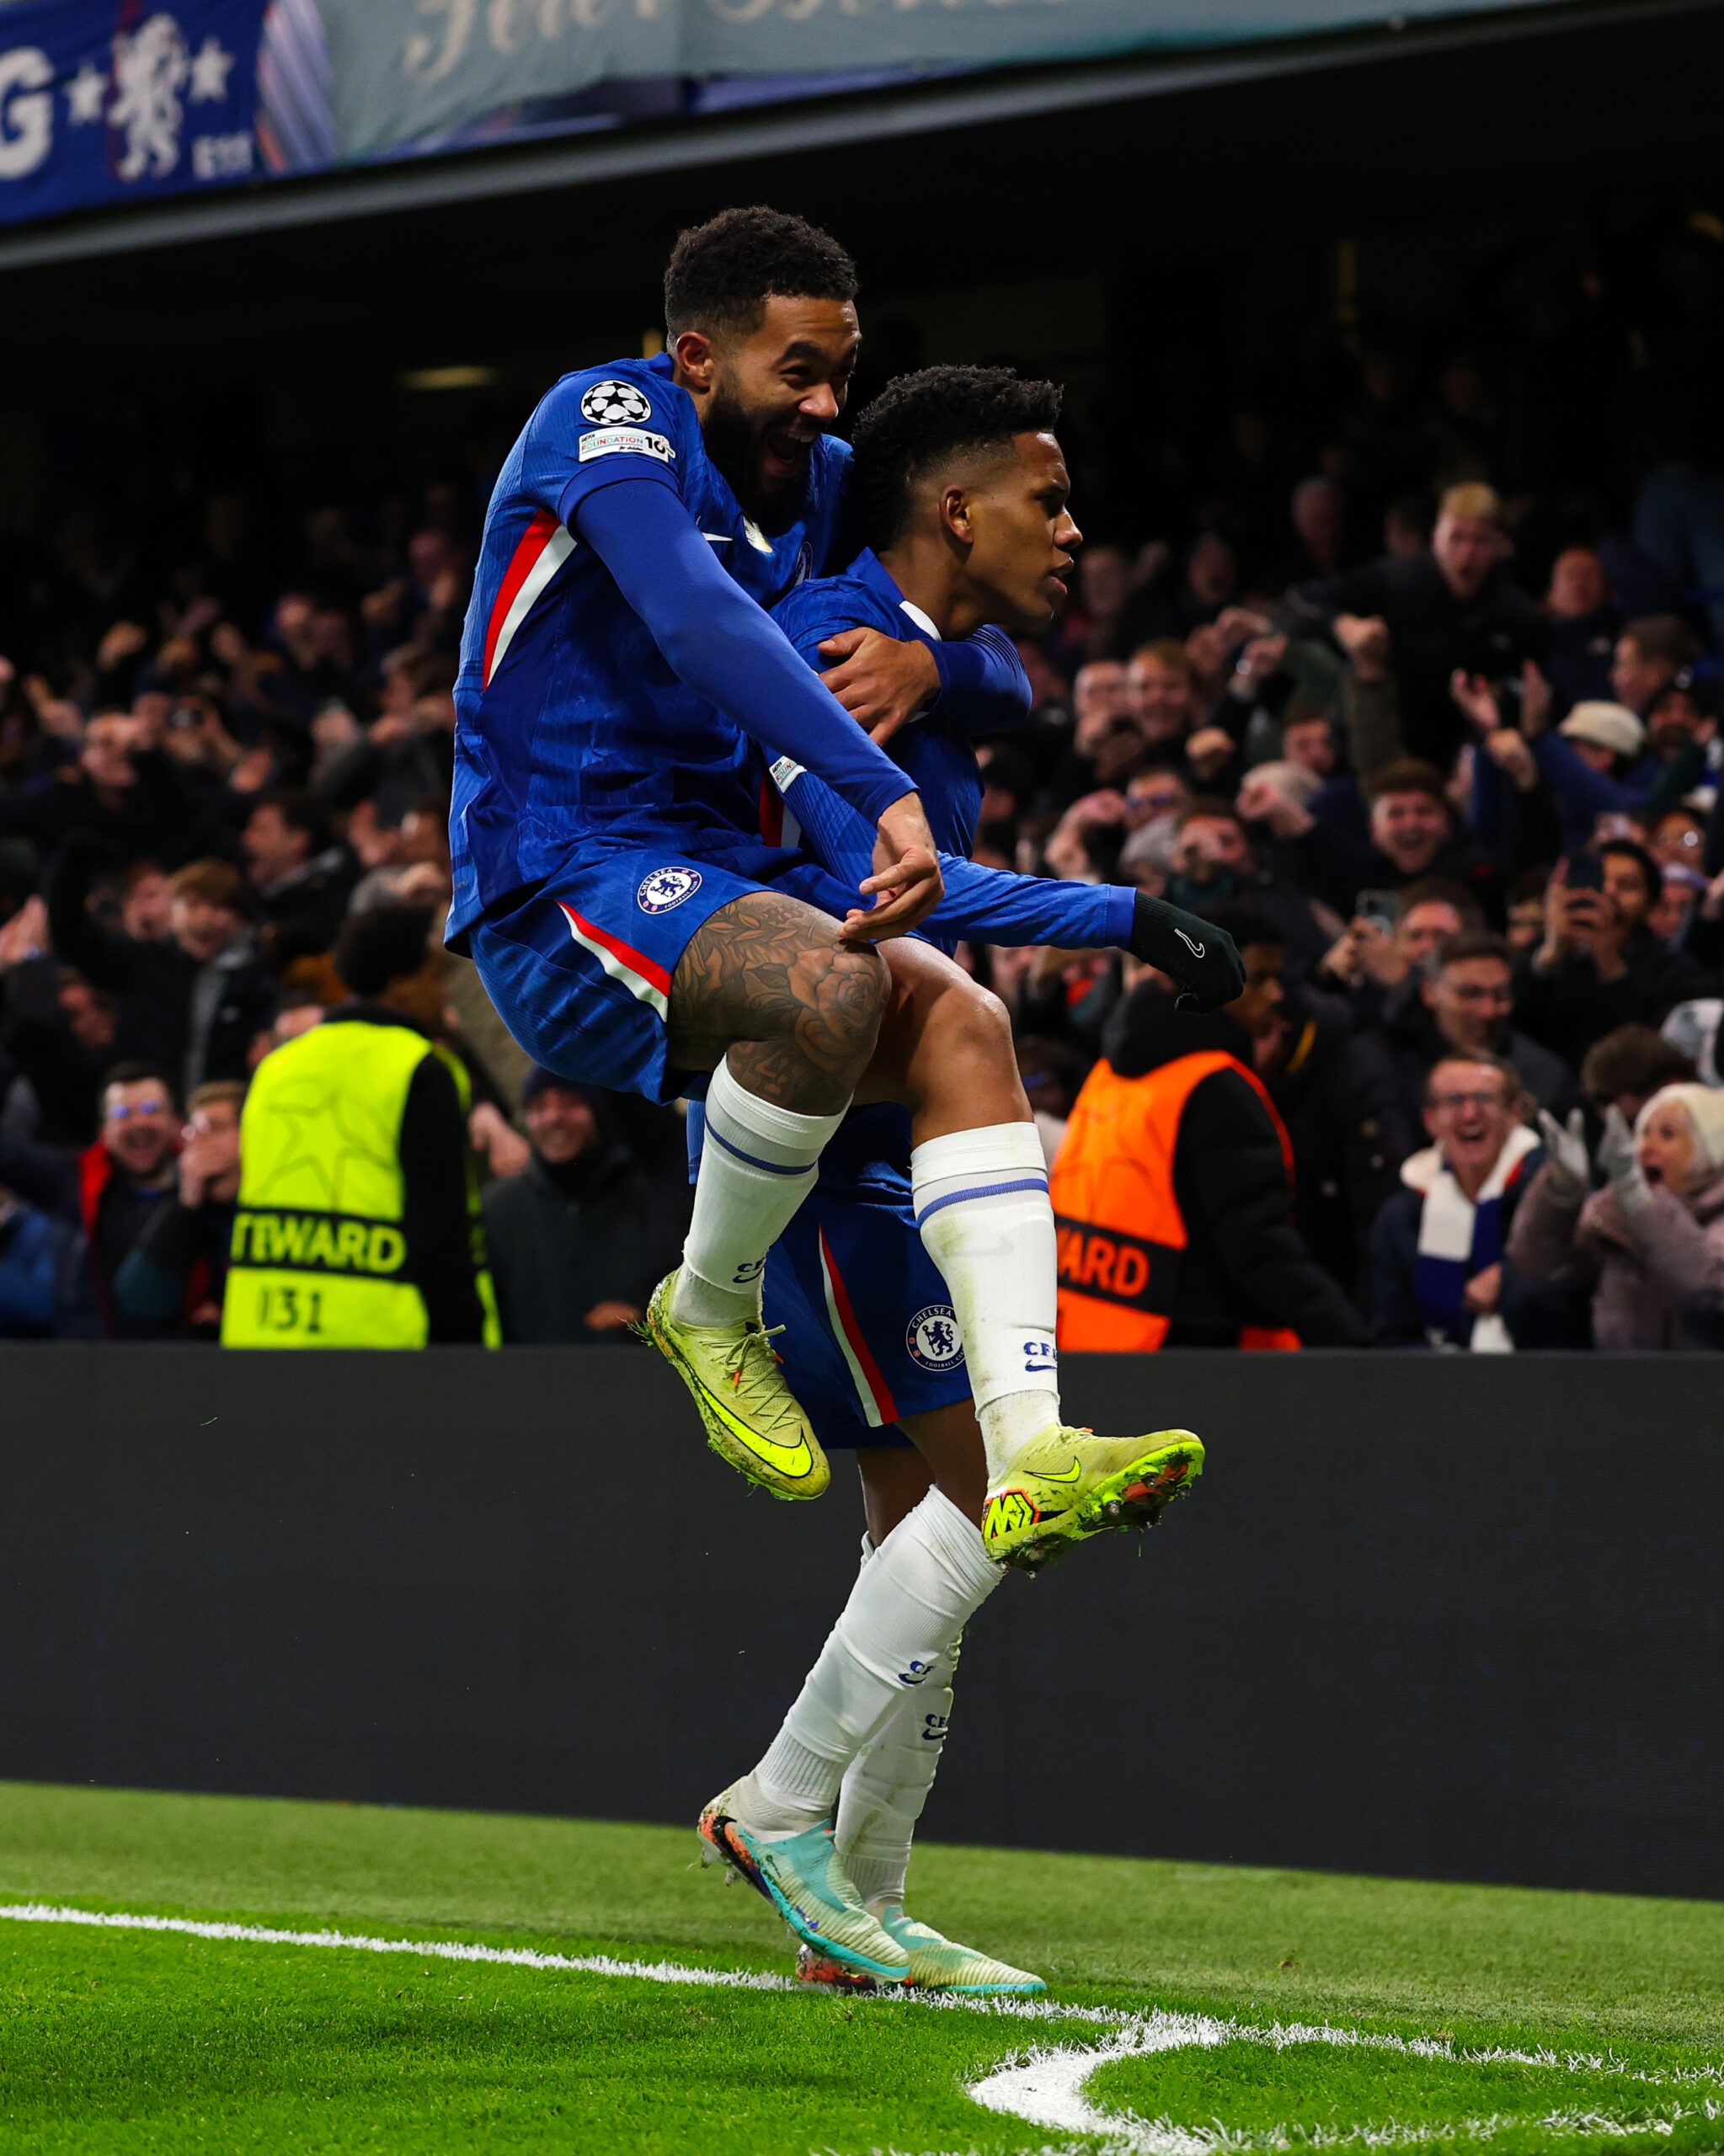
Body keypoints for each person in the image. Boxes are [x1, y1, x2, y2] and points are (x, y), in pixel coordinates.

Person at [450, 209, 1223, 1612]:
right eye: (796, 371)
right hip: (563, 869)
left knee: (961, 1018)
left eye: (841, 373)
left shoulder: (818, 481)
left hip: (717, 883)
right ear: (696, 357)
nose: (823, 406)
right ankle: (708, 1298)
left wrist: (942, 682)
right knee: (832, 978)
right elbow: (698, 618)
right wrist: (884, 786)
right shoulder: (607, 416)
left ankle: (1031, 1442)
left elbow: (960, 601)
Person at [695, 366, 1237, 1993]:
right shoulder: (827, 654)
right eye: (1045, 501)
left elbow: (995, 682)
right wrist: (1122, 914)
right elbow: (886, 902)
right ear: (952, 507)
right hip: (828, 1153)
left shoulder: (917, 653)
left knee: (921, 1526)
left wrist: (950, 658)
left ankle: (856, 1913)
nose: (1072, 534)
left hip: (890, 1147)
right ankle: (783, 1808)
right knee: (986, 1497)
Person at [1049, 953, 1369, 1351]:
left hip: (1085, 1340)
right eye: (1259, 977)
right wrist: (1353, 1343)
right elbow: (1256, 1249)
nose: (1276, 995)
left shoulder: (1110, 1071)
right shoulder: (1215, 1086)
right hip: (1186, 1357)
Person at [222, 904, 499, 1348]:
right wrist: (464, 1349)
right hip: (386, 1354)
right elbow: (440, 1235)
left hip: (262, 1339)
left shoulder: (275, 1068)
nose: (443, 995)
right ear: (400, 986)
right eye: (434, 978)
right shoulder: (420, 1068)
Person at [1285, 482, 1548, 766]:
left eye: (1480, 540)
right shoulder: (1397, 580)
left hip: (1469, 750)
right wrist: (1343, 624)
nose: (1467, 553)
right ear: (1436, 538)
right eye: (1456, 538)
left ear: (1499, 545)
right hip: (1379, 742)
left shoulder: (1515, 612)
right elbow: (1297, 602)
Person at [48, 842, 277, 1099]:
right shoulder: (143, 963)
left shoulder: (264, 975)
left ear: (239, 917)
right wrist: (73, 863)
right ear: (173, 912)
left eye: (218, 907)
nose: (204, 918)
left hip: (227, 1112)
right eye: (192, 905)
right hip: (151, 1110)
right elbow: (71, 935)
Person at [1509, 1082, 1724, 1349]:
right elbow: (1543, 1266)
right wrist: (1562, 1189)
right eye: (1643, 1134)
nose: (1645, 1147)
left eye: (1667, 1135)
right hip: (1620, 1383)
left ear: (1713, 1146)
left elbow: (1710, 1291)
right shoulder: (1614, 1210)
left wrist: (1643, 1204)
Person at [1369, 1054, 1554, 1349]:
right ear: (1430, 1120)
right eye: (1454, 1100)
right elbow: (1392, 1334)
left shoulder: (1552, 1197)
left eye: (1484, 1098)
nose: (1469, 1114)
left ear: (1515, 1113)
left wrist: (1511, 1284)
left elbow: (1572, 1310)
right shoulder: (1401, 1216)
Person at [482, 1069, 675, 1343]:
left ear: (597, 1113)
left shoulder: (648, 1195)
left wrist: (643, 1318)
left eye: (570, 1103)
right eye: (539, 1107)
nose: (554, 1117)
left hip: (632, 1375)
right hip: (526, 1379)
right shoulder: (499, 1208)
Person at [0, 1062, 183, 1337]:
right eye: (123, 1113)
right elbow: (9, 1155)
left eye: (151, 1110)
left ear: (175, 1122)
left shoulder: (207, 1192)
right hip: (88, 1362)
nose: (139, 1122)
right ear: (104, 1132)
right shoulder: (75, 1182)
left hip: (185, 1361)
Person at [1378, 930, 1574, 1128]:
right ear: (1430, 991)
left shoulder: (1545, 1077)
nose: (1488, 1011)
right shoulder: (1387, 1069)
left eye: (1500, 995)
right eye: (1471, 994)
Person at [112, 1079, 244, 1337]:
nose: (197, 1142)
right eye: (192, 1132)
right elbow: (136, 1299)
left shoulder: (276, 1203)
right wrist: (186, 1204)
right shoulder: (186, 1208)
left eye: (213, 1128)